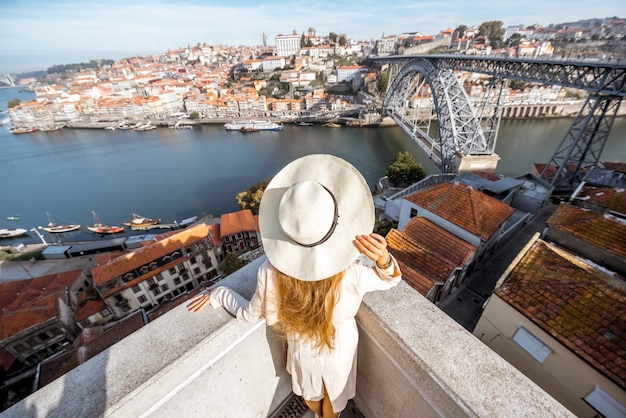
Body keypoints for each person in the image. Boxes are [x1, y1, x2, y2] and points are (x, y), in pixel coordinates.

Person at [188, 154, 402, 418]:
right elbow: (389, 279)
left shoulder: (270, 272)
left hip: (303, 350)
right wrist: (383, 259)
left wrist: (219, 293)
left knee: (311, 396)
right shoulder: (352, 271)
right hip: (341, 346)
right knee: (335, 399)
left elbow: (250, 314)